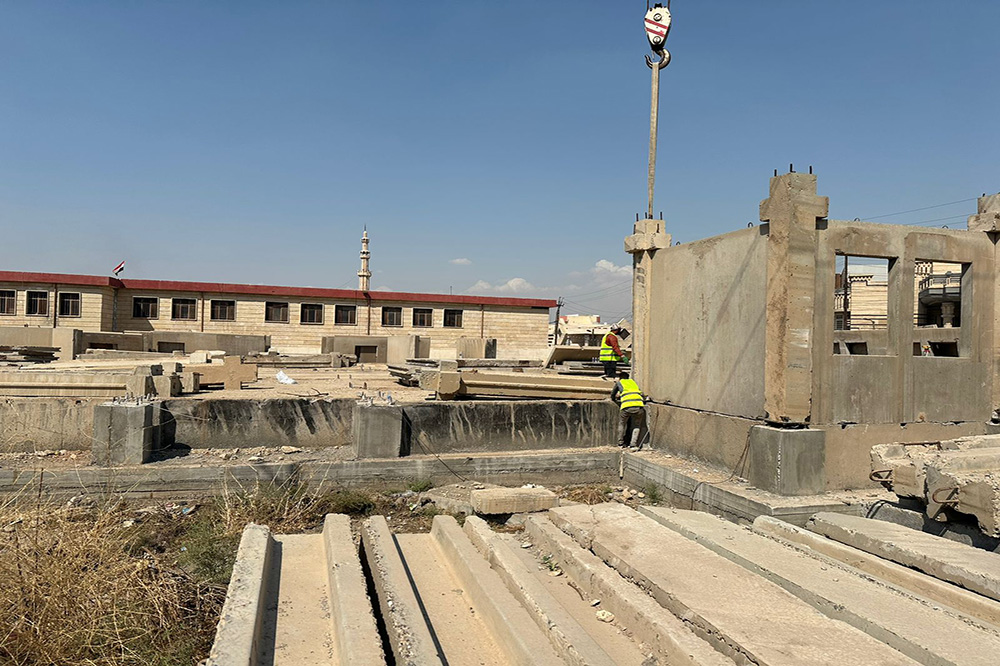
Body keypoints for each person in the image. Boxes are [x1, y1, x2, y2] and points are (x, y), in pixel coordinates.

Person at [611, 370, 646, 449]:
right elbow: (640, 394)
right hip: (639, 406)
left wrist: (614, 399)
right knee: (637, 426)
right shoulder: (633, 383)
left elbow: (613, 393)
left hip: (626, 407)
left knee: (622, 424)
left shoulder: (620, 383)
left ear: (620, 378)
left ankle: (620, 443)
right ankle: (633, 445)